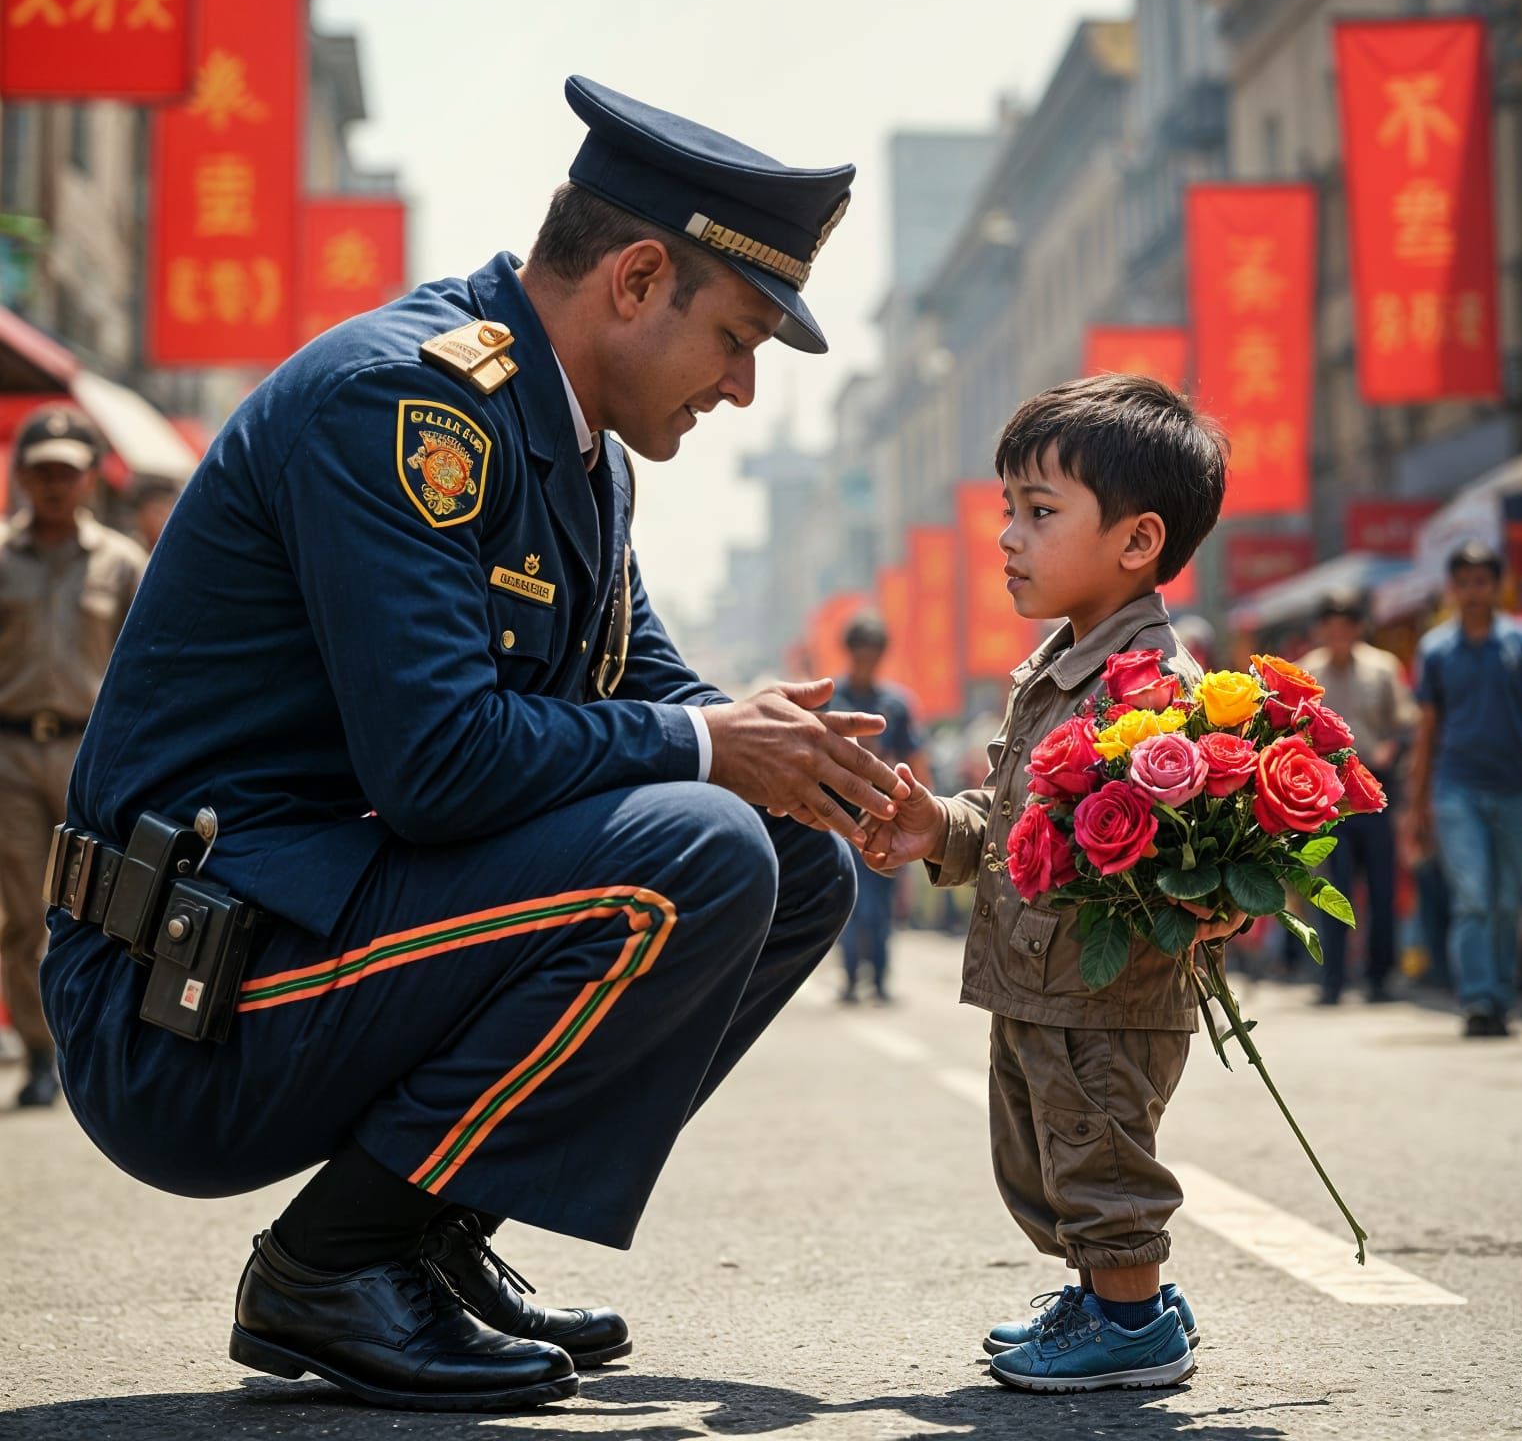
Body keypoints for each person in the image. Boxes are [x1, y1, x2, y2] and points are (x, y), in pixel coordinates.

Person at [39, 76, 909, 1413]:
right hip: (181, 992)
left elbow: (666, 697)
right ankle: (335, 1267)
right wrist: (713, 750)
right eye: (736, 337)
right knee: (703, 846)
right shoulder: (403, 405)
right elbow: (439, 763)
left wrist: (835, 771)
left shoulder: (580, 457)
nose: (742, 388)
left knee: (791, 854)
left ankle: (432, 1236)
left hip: (322, 933)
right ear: (633, 279)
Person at [860, 374, 1230, 1393]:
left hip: (1104, 993)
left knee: (1099, 1154)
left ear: (1137, 541)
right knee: (1045, 1157)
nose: (1008, 539)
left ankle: (1133, 1321)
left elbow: (1192, 849)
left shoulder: (1152, 690)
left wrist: (1214, 890)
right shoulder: (1056, 669)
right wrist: (935, 824)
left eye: (1039, 512)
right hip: (1037, 978)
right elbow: (1014, 817)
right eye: (1006, 512)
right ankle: (1108, 1297)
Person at [0, 405, 145, 1108]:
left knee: (106, 907)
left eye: (68, 470)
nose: (55, 482)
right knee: (25, 916)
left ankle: (100, 1044)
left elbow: (152, 666)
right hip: (12, 755)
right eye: (43, 469)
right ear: (22, 474)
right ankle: (38, 1056)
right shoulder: (0, 558)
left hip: (97, 757)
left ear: (90, 479)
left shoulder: (122, 565)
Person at [1409, 540, 1522, 1038]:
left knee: (1508, 899)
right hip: (1456, 788)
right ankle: (1478, 999)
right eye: (1464, 582)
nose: (1473, 591)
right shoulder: (1436, 650)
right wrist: (1416, 806)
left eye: (1482, 581)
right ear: (1453, 589)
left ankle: (1501, 995)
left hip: (1516, 788)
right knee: (1474, 896)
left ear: (1497, 586)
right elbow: (1426, 731)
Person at [1299, 590, 1417, 1004]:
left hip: (1375, 790)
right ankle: (1332, 978)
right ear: (1319, 629)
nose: (1338, 633)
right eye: (1329, 625)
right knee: (1333, 885)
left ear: (1358, 627)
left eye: (1346, 624)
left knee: (1382, 888)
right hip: (1325, 797)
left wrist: (1390, 748)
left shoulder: (1383, 668)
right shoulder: (1306, 673)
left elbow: (1405, 724)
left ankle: (1379, 976)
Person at [826, 612, 926, 1002]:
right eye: (861, 653)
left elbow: (916, 760)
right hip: (839, 819)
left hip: (887, 816)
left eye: (873, 654)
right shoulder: (834, 701)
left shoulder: (895, 705)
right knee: (849, 901)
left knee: (881, 905)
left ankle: (880, 979)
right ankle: (850, 978)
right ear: (850, 653)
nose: (867, 660)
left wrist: (925, 813)